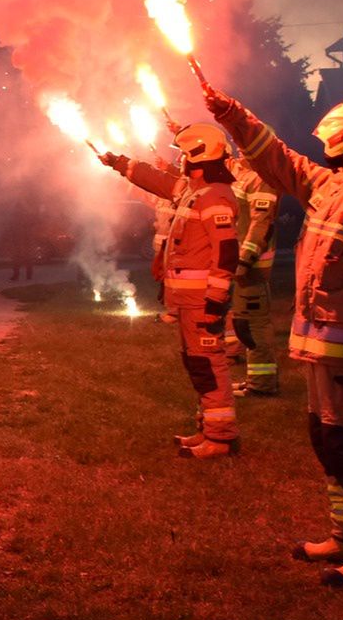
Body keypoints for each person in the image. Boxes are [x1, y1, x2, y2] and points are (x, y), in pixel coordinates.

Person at [208, 88, 343, 585]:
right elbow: (275, 157)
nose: (325, 145)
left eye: (333, 136)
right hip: (318, 350)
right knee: (327, 440)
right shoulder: (330, 187)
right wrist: (232, 113)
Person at [99, 122, 243, 458]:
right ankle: (207, 429)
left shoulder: (214, 198)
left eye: (183, 155)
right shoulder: (195, 192)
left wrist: (214, 302)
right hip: (190, 303)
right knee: (198, 365)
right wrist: (121, 163)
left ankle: (221, 438)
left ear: (197, 155)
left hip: (203, 303)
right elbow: (159, 181)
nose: (179, 161)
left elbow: (226, 255)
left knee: (209, 367)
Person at [228, 156, 282, 397]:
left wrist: (244, 260)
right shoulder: (246, 174)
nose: (240, 152)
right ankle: (255, 379)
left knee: (255, 326)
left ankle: (262, 384)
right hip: (244, 266)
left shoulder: (262, 180)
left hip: (252, 267)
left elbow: (261, 224)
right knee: (245, 324)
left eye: (244, 146)